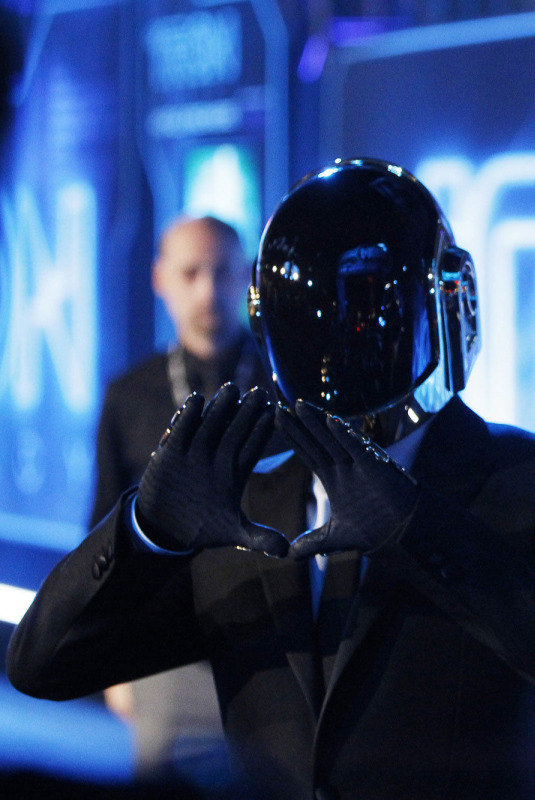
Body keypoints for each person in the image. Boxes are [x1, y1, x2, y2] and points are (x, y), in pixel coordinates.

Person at [9, 158, 535, 800]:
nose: (348, 335)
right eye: (314, 312)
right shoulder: (246, 506)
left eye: (371, 304)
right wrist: (147, 531)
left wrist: (419, 529)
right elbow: (42, 663)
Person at [90, 214, 266, 793]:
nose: (206, 290)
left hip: (272, 641)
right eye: (190, 272)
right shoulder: (130, 393)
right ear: (159, 278)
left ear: (247, 278)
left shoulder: (283, 383)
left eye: (222, 272)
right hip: (163, 652)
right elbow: (103, 534)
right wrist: (110, 659)